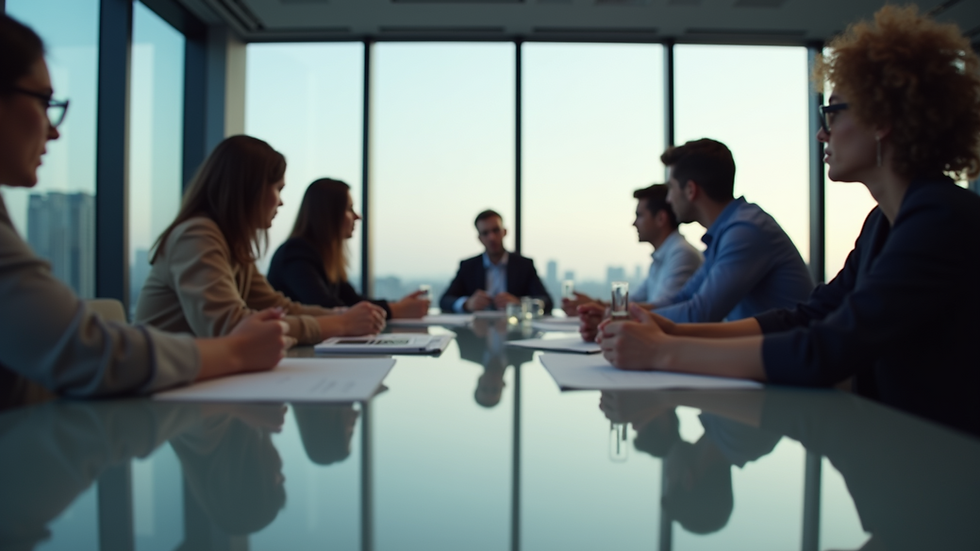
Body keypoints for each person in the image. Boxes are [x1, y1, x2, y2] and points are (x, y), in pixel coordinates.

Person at [597, 5, 980, 437]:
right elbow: (810, 316)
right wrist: (672, 332)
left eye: (833, 113)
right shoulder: (883, 222)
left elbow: (826, 349)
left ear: (881, 120)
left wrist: (663, 353)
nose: (822, 132)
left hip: (949, 461)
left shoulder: (940, 219)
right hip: (903, 450)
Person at [0, 14, 289, 398]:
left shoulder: (231, 242)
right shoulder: (199, 234)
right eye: (44, 102)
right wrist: (237, 350)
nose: (54, 130)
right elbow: (87, 351)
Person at [135, 136, 387, 345]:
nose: (281, 201)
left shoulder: (233, 245)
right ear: (248, 189)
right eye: (278, 188)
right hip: (164, 385)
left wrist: (339, 315)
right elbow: (232, 328)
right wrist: (338, 324)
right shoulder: (197, 235)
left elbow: (277, 306)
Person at [580, 139, 814, 341]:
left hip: (790, 367)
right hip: (761, 357)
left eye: (671, 188)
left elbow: (700, 314)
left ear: (691, 190)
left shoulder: (745, 231)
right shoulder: (727, 232)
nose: (668, 199)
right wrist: (617, 314)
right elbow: (683, 298)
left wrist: (623, 319)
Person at [267, 178, 429, 319]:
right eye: (349, 209)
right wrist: (396, 310)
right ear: (329, 214)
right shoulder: (296, 253)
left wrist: (398, 306)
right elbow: (327, 308)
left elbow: (353, 300)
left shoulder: (322, 256)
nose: (358, 216)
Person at [562, 184, 702, 315]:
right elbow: (634, 301)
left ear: (660, 218)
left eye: (639, 215)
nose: (633, 223)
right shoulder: (663, 256)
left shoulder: (682, 254)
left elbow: (663, 308)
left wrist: (602, 309)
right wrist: (595, 305)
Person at [439, 209, 554, 313]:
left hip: (514, 328)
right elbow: (444, 300)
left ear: (504, 232)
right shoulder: (468, 266)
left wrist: (519, 303)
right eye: (485, 233)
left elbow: (547, 301)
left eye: (496, 230)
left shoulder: (524, 265)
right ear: (479, 238)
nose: (492, 237)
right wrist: (467, 303)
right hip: (478, 328)